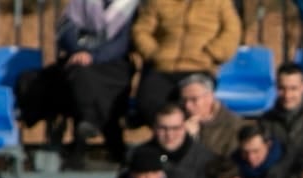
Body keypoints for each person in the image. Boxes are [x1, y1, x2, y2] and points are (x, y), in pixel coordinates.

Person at [17, 0, 137, 151]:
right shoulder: (80, 3)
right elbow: (65, 30)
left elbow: (121, 44)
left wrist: (93, 56)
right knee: (32, 80)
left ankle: (89, 124)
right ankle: (84, 129)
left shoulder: (129, 5)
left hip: (112, 66)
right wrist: (79, 51)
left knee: (81, 76)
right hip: (77, 60)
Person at [130, 0, 241, 122]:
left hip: (200, 67)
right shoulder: (158, 2)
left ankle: (193, 136)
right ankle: (167, 134)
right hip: (163, 66)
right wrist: (154, 53)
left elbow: (232, 30)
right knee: (147, 101)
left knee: (195, 101)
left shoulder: (219, 2)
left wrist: (211, 53)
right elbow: (141, 30)